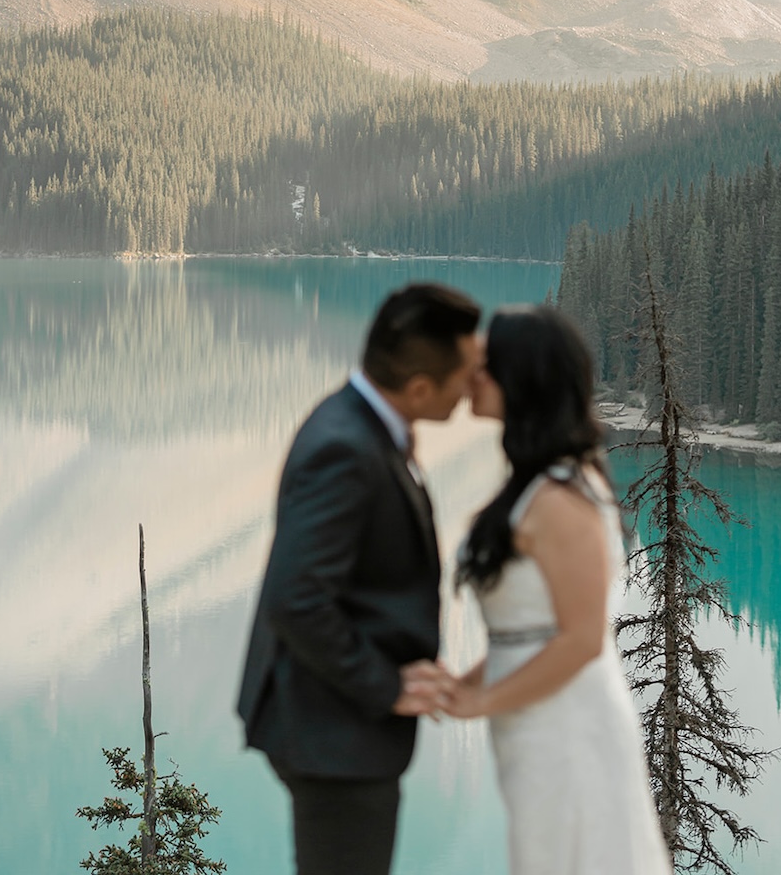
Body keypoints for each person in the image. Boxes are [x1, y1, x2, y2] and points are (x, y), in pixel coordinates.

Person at [236, 282, 483, 875]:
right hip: (333, 732)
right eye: (467, 374)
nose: (475, 386)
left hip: (337, 723)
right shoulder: (346, 448)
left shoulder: (362, 424)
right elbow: (295, 600)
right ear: (421, 388)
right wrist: (386, 685)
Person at [447, 304, 672, 875]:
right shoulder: (537, 484)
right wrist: (461, 685)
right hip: (534, 724)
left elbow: (580, 639)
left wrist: (481, 700)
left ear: (520, 380)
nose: (470, 375)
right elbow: (528, 626)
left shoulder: (563, 497)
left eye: (485, 365)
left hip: (570, 729)